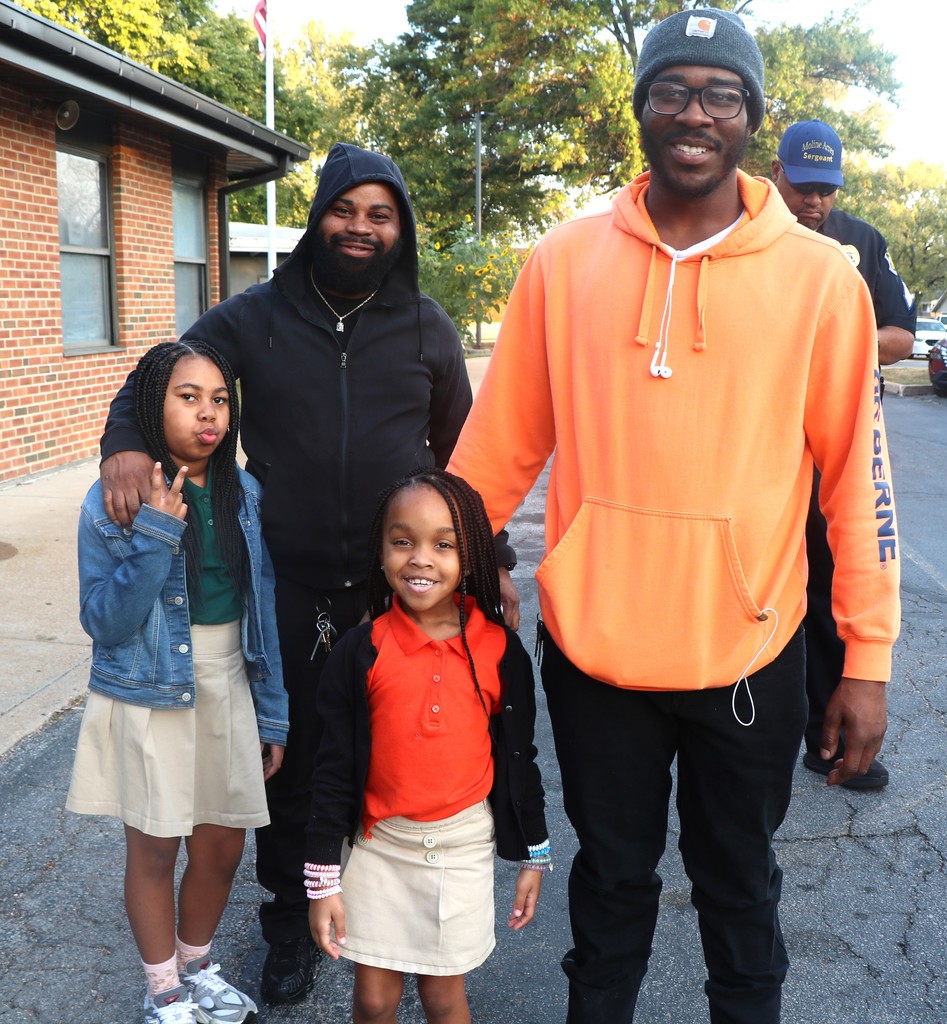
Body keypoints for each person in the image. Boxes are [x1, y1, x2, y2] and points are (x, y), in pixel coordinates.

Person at [446, 9, 901, 1023]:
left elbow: (857, 493)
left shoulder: (823, 281)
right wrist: (442, 589)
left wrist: (865, 661)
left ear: (750, 116)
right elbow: (494, 454)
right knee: (608, 889)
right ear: (642, 108)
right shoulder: (563, 262)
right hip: (597, 656)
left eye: (720, 95)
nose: (695, 114)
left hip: (749, 655)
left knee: (740, 891)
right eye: (672, 91)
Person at [97, 144, 510, 1005]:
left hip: (393, 589)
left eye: (379, 214)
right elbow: (164, 368)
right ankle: (292, 924)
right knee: (290, 760)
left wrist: (493, 562)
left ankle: (384, 903)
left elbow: (462, 460)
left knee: (389, 750)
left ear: (400, 229)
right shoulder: (254, 316)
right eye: (344, 210)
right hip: (278, 584)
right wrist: (125, 442)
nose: (359, 228)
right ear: (318, 216)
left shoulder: (428, 327)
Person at [67, 341, 288, 1024]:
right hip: (150, 688)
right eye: (188, 397)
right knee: (157, 845)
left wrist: (273, 714)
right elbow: (104, 619)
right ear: (153, 404)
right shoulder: (117, 501)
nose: (208, 414)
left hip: (229, 684)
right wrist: (157, 531)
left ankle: (197, 970)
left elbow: (264, 609)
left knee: (222, 847)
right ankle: (163, 990)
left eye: (219, 399)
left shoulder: (243, 493)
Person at [305, 468, 549, 1024]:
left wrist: (535, 851)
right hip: (380, 847)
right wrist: (322, 878)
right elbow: (333, 768)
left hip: (461, 848)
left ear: (474, 559)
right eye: (402, 542)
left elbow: (519, 757)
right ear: (381, 550)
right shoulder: (359, 652)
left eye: (444, 544)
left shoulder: (498, 650)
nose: (420, 558)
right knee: (372, 1000)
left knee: (443, 999)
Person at [771, 119, 915, 789]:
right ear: (778, 173)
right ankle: (738, 732)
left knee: (831, 597)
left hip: (837, 449)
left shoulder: (861, 242)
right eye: (804, 186)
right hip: (760, 452)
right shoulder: (746, 232)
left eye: (826, 190)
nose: (814, 203)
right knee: (765, 592)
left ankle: (826, 745)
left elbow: (901, 338)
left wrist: (830, 337)